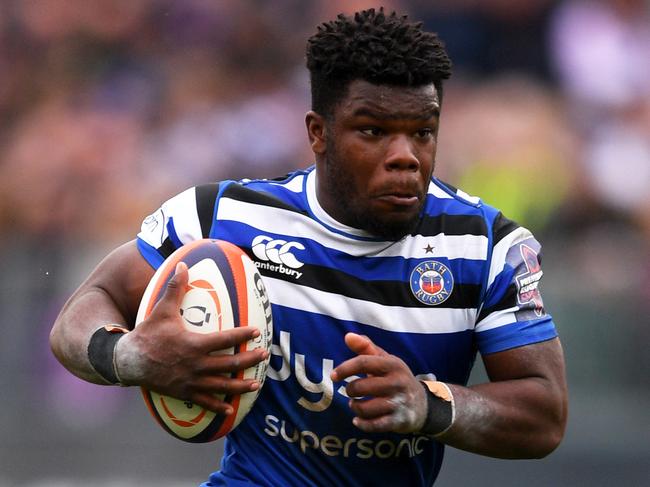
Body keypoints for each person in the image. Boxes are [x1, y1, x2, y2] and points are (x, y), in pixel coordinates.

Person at [50, 8, 568, 486]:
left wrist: (429, 405)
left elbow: (544, 414)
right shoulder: (222, 218)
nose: (406, 157)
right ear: (318, 133)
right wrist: (130, 355)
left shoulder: (487, 247)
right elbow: (80, 314)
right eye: (374, 131)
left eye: (423, 132)